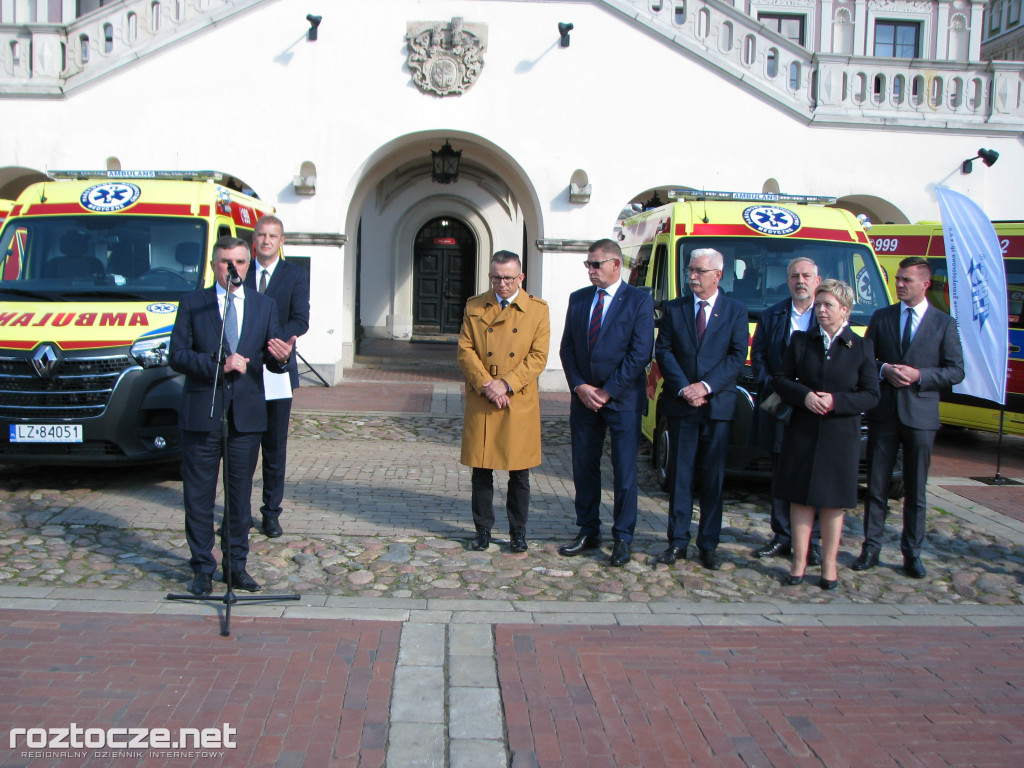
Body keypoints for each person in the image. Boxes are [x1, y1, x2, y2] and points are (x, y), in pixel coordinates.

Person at [170, 236, 295, 597]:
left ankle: (235, 566)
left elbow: (271, 359)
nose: (233, 269)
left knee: (239, 497)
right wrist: (217, 364)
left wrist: (282, 357)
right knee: (199, 496)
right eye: (226, 263)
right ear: (214, 266)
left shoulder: (264, 304)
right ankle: (202, 567)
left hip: (246, 415)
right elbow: (176, 355)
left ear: (248, 263)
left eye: (240, 263)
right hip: (202, 413)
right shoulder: (194, 304)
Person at [856, 256, 964, 578]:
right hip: (885, 413)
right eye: (898, 279)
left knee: (915, 490)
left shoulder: (943, 323)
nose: (900, 285)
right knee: (876, 485)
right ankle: (870, 548)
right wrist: (884, 369)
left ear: (925, 284)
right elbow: (865, 359)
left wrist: (920, 375)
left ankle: (911, 554)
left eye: (906, 280)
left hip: (920, 415)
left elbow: (956, 371)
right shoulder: (883, 316)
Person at [773, 279, 880, 589]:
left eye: (827, 305)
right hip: (803, 431)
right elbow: (780, 379)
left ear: (844, 310)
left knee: (833, 502)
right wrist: (804, 395)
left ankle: (829, 565)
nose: (820, 310)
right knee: (801, 497)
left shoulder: (860, 347)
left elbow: (871, 395)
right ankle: (798, 561)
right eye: (818, 304)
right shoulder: (800, 342)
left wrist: (838, 401)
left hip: (839, 434)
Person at [558, 239, 654, 567]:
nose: (590, 270)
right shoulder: (579, 299)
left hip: (622, 399)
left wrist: (608, 390)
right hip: (584, 399)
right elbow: (567, 348)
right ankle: (588, 530)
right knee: (584, 467)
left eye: (596, 264)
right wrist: (580, 386)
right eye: (588, 264)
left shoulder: (639, 301)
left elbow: (640, 352)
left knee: (624, 470)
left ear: (616, 264)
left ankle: (623, 536)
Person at [652, 248, 748, 571]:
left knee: (712, 479)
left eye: (699, 271)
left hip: (716, 406)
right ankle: (677, 541)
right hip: (681, 405)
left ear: (718, 275)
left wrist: (705, 387)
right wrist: (685, 388)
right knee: (680, 477)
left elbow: (736, 357)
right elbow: (663, 351)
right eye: (690, 270)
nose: (692, 276)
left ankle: (708, 543)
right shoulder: (675, 309)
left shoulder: (735, 311)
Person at [457, 251, 550, 552]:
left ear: (521, 278)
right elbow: (465, 349)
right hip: (484, 395)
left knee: (518, 472)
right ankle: (482, 529)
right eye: (496, 277)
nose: (502, 284)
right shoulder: (475, 305)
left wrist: (506, 384)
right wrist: (487, 384)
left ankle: (517, 532)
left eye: (508, 278)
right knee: (481, 470)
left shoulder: (537, 310)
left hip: (516, 398)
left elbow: (538, 356)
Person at [751, 257, 822, 565]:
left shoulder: (827, 313)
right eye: (794, 276)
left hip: (816, 407)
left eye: (806, 275)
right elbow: (760, 358)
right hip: (781, 404)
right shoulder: (772, 315)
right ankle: (781, 535)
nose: (800, 281)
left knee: (814, 474)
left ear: (817, 280)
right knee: (781, 472)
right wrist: (779, 388)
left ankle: (812, 541)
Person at [244, 215, 310, 539]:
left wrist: (274, 344)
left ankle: (271, 512)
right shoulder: (240, 273)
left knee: (274, 448)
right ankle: (239, 512)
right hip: (243, 371)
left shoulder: (294, 275)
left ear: (281, 241)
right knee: (242, 447)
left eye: (273, 236)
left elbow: (300, 319)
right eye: (261, 235)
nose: (267, 240)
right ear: (253, 239)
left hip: (278, 368)